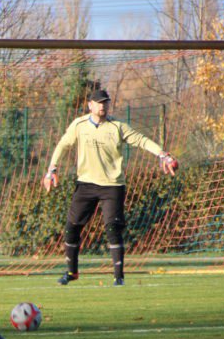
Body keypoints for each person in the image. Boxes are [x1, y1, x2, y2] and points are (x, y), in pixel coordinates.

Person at [43, 88, 179, 286]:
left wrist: (162, 154)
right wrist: (51, 169)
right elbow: (63, 145)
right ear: (90, 105)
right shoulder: (79, 125)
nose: (103, 106)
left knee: (112, 228)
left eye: (105, 102)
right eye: (99, 102)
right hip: (86, 183)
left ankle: (118, 277)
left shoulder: (117, 126)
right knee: (72, 227)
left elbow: (141, 140)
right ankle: (71, 272)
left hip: (112, 185)